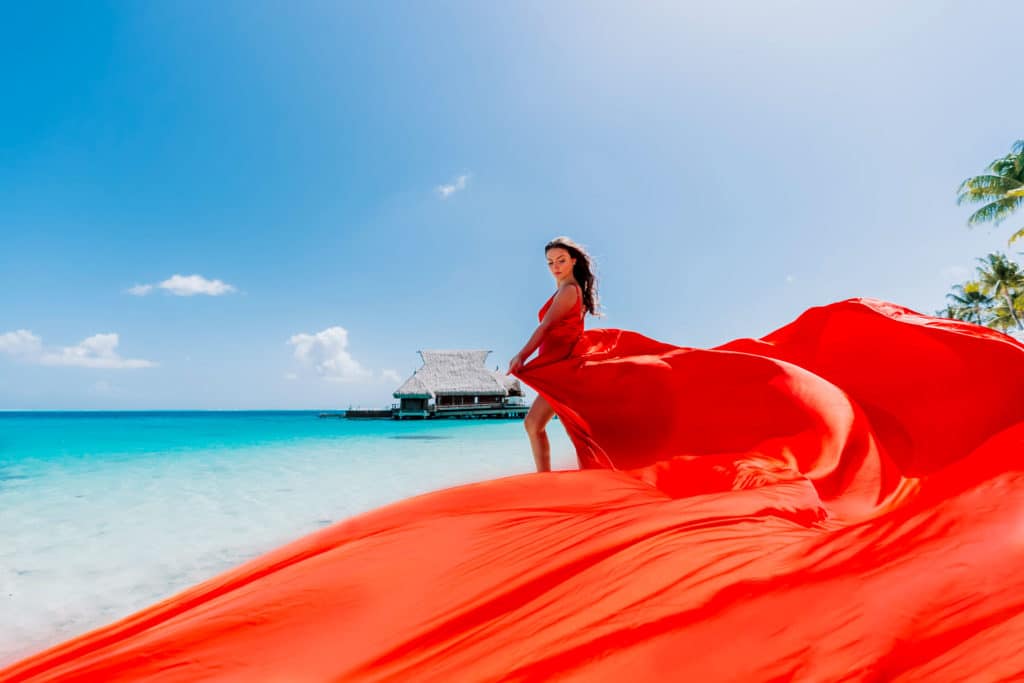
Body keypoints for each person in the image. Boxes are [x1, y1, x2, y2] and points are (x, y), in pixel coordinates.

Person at [506, 236, 600, 472]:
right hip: (558, 367)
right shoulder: (568, 290)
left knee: (535, 424)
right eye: (550, 263)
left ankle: (549, 480)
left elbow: (546, 326)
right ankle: (585, 477)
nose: (555, 267)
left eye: (561, 260)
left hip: (562, 368)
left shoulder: (569, 290)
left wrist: (521, 355)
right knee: (566, 428)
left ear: (574, 261)